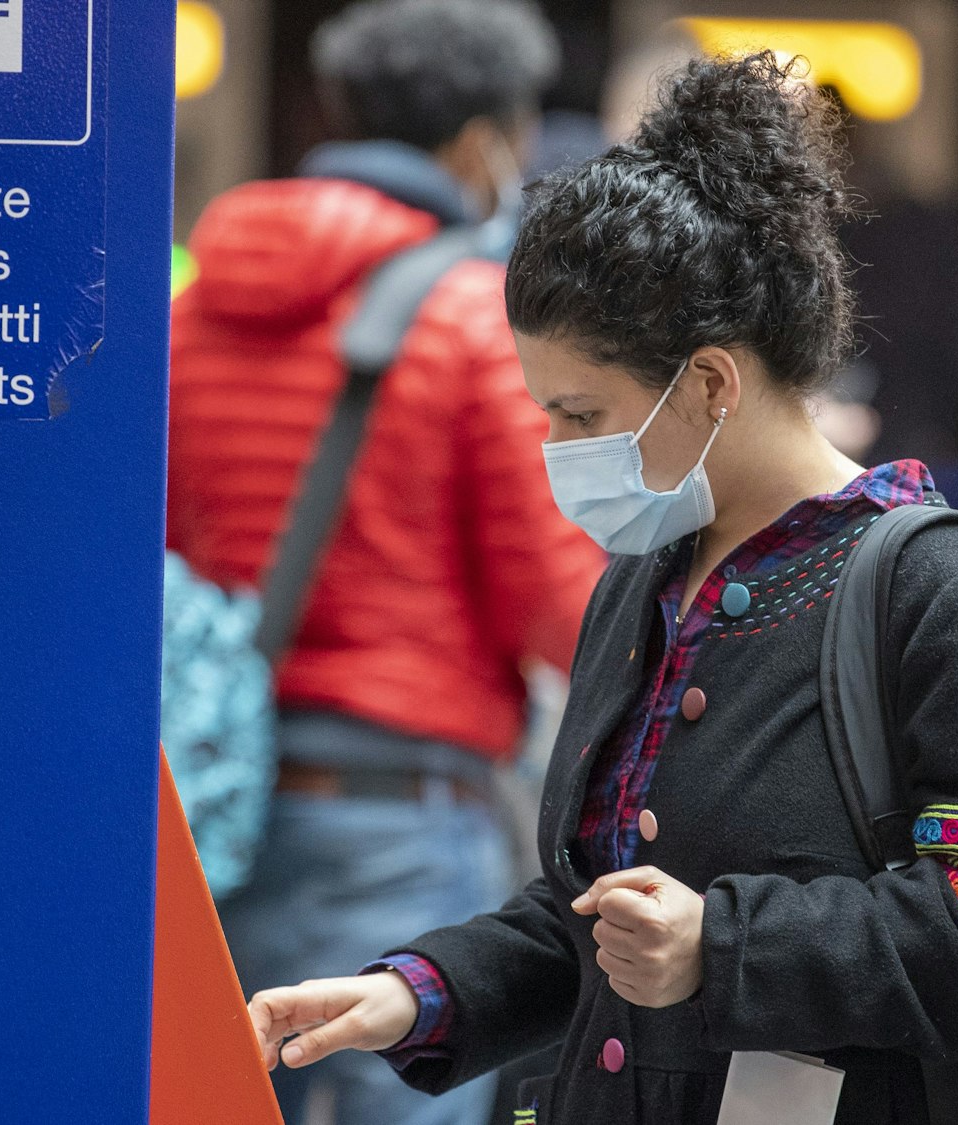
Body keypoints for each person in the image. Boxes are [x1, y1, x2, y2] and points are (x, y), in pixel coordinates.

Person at [246, 53, 958, 1124]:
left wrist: (725, 945)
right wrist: (414, 993)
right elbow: (598, 914)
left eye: (577, 413)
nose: (551, 445)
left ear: (707, 384)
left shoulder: (938, 586)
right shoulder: (645, 578)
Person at [165, 2, 604, 1123]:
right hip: (405, 816)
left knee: (221, 1093)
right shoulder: (468, 322)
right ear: (480, 143)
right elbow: (557, 601)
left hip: (223, 806)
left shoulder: (192, 310)